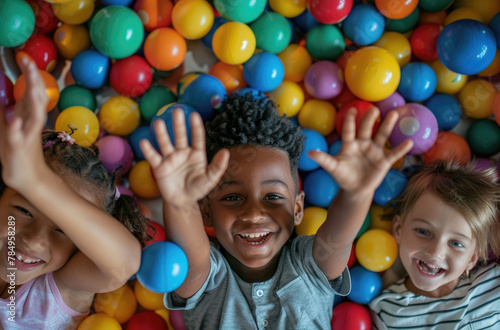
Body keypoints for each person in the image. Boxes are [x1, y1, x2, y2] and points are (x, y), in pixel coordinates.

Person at [141, 93, 413, 328]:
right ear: (207, 211)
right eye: (233, 197)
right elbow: (192, 253)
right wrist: (180, 203)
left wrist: (356, 194)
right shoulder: (206, 278)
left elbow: (338, 239)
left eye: (272, 197)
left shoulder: (309, 267)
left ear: (297, 209)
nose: (254, 213)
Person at [0, 57, 148, 329]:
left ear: (83, 246)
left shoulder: (62, 287)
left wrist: (35, 184)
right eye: (23, 210)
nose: (33, 241)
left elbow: (124, 263)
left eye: (63, 230)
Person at [370, 161, 500, 329]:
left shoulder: (492, 285)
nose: (435, 252)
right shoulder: (387, 310)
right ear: (399, 229)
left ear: (472, 258)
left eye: (455, 243)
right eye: (423, 232)